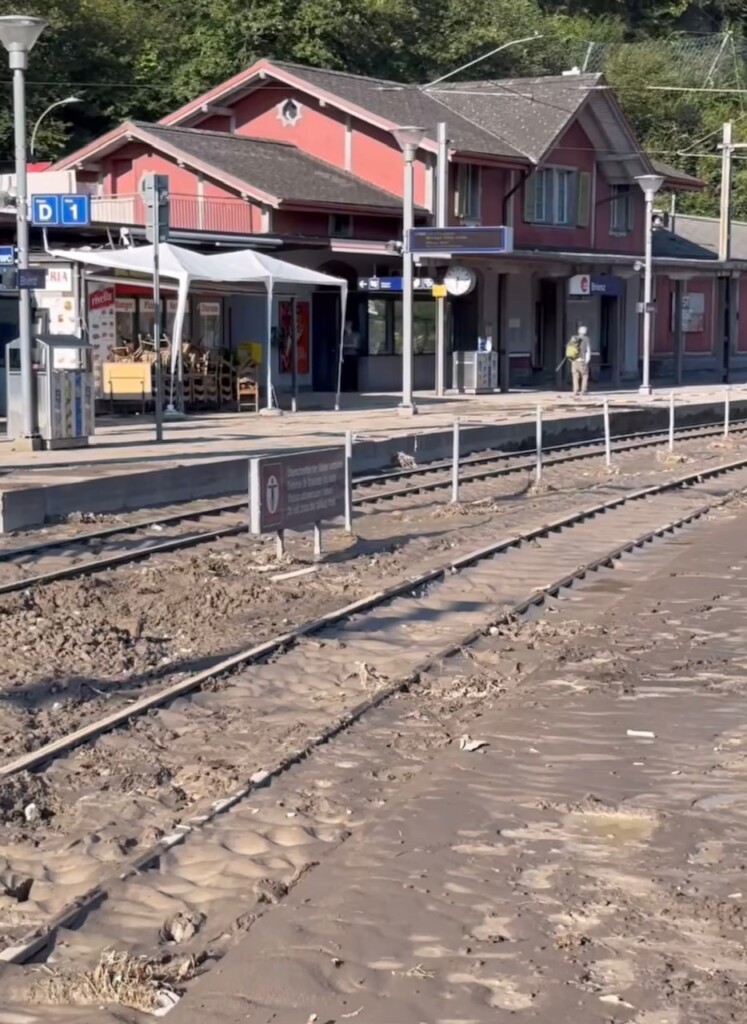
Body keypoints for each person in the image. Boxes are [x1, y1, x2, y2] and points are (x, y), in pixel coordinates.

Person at [566, 325, 592, 396]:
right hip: (582, 360)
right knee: (585, 375)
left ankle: (575, 391)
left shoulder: (573, 338)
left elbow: (569, 348)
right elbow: (588, 350)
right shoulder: (586, 339)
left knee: (575, 375)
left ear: (578, 331)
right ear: (585, 332)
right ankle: (583, 391)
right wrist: (587, 360)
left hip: (574, 360)